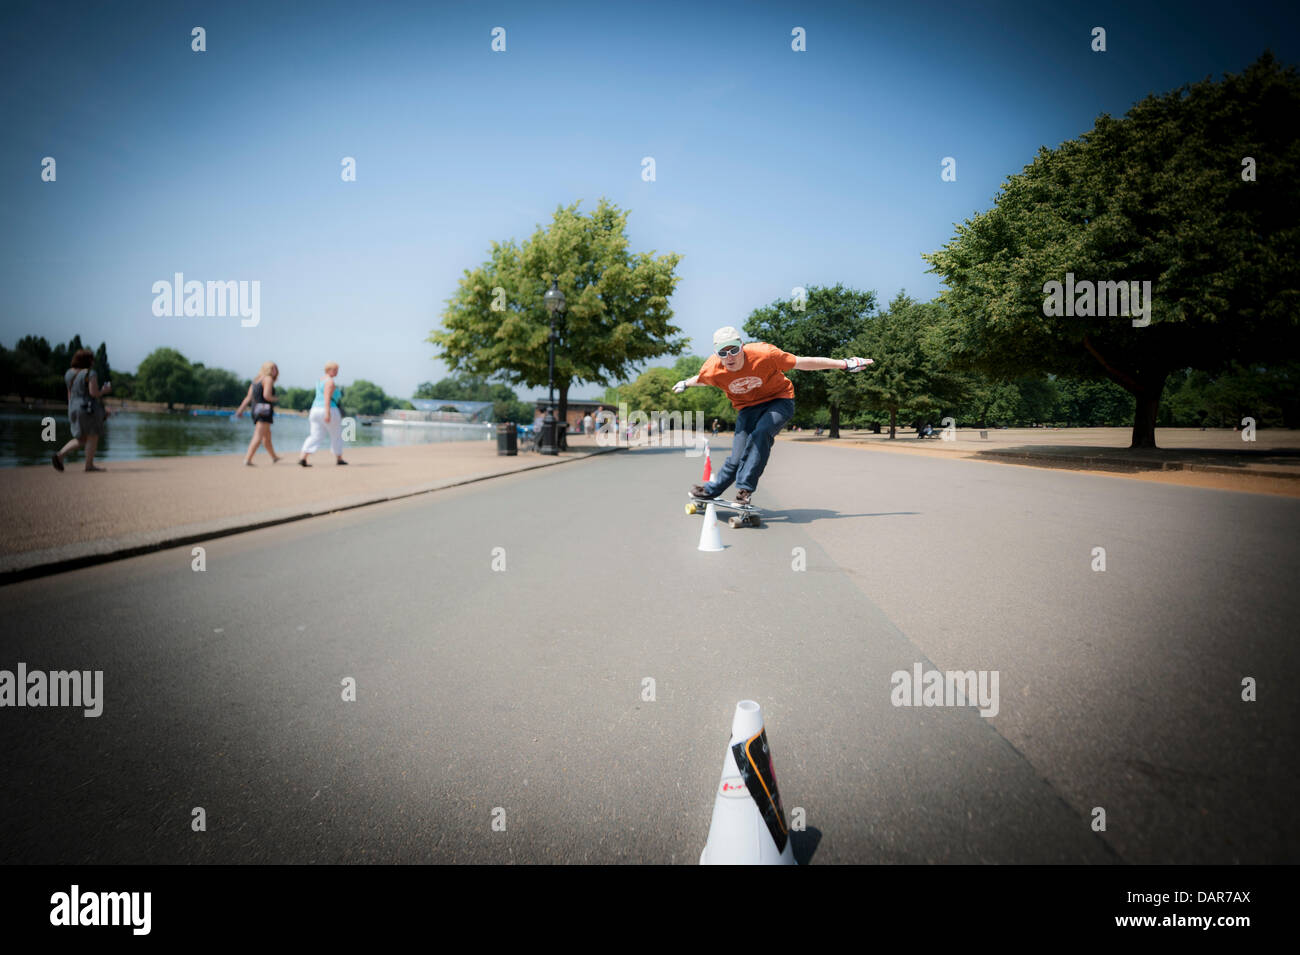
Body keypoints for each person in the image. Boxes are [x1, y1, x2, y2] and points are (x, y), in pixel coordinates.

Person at [674, 326, 872, 505]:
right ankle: (710, 491)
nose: (730, 357)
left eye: (734, 350)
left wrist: (845, 364)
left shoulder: (765, 354)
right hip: (747, 409)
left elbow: (803, 362)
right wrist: (685, 383)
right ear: (716, 354)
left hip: (779, 401)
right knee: (736, 459)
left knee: (761, 433)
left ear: (742, 346)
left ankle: (744, 490)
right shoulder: (712, 368)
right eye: (723, 353)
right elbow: (701, 379)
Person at [52, 348, 111, 472]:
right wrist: (104, 391)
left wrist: (71, 409)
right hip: (88, 408)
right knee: (93, 436)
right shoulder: (90, 373)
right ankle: (89, 465)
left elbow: (70, 394)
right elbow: (93, 393)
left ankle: (60, 455)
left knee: (82, 439)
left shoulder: (69, 374)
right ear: (88, 360)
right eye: (92, 359)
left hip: (73, 407)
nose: (93, 362)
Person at [298, 362, 347, 467]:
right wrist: (328, 413)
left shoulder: (319, 381)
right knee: (336, 434)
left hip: (315, 410)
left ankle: (303, 456)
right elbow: (327, 397)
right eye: (335, 370)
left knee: (315, 435)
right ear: (329, 370)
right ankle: (339, 458)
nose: (337, 372)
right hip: (329, 409)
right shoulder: (330, 382)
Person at [234, 361, 282, 465]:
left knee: (267, 435)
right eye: (273, 368)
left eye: (276, 369)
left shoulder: (256, 380)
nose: (275, 371)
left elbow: (248, 398)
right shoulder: (268, 379)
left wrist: (240, 410)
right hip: (264, 410)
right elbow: (267, 396)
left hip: (255, 410)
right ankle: (248, 459)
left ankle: (274, 457)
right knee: (259, 436)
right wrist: (276, 399)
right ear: (267, 369)